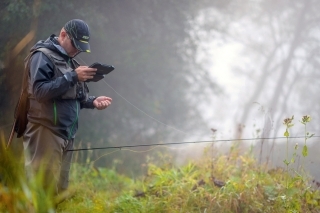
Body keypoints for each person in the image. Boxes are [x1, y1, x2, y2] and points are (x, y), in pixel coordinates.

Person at [22, 19, 112, 194]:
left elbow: (69, 94)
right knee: (43, 192)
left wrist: (91, 101)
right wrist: (73, 77)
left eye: (81, 46)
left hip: (66, 135)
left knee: (60, 192)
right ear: (63, 35)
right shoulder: (41, 56)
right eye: (75, 44)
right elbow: (40, 92)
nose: (78, 50)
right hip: (45, 132)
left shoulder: (70, 60)